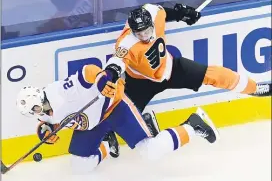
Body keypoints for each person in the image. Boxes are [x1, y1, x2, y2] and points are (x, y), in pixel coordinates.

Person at [16, 64, 219, 173]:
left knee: (151, 151)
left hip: (114, 109)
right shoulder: (43, 111)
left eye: (35, 108)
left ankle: (193, 124)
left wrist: (102, 81)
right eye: (33, 112)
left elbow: (88, 71)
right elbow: (48, 124)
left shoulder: (60, 91)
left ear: (39, 97)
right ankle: (106, 141)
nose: (36, 112)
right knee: (79, 167)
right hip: (92, 125)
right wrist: (45, 131)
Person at [103, 3, 271, 134]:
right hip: (140, 83)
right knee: (120, 118)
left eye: (146, 31)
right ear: (132, 30)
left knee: (213, 75)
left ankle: (254, 88)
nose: (144, 36)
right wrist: (109, 75)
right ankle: (140, 123)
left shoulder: (153, 12)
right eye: (139, 34)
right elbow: (116, 62)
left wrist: (182, 14)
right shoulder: (126, 43)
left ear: (150, 23)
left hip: (170, 69)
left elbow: (165, 13)